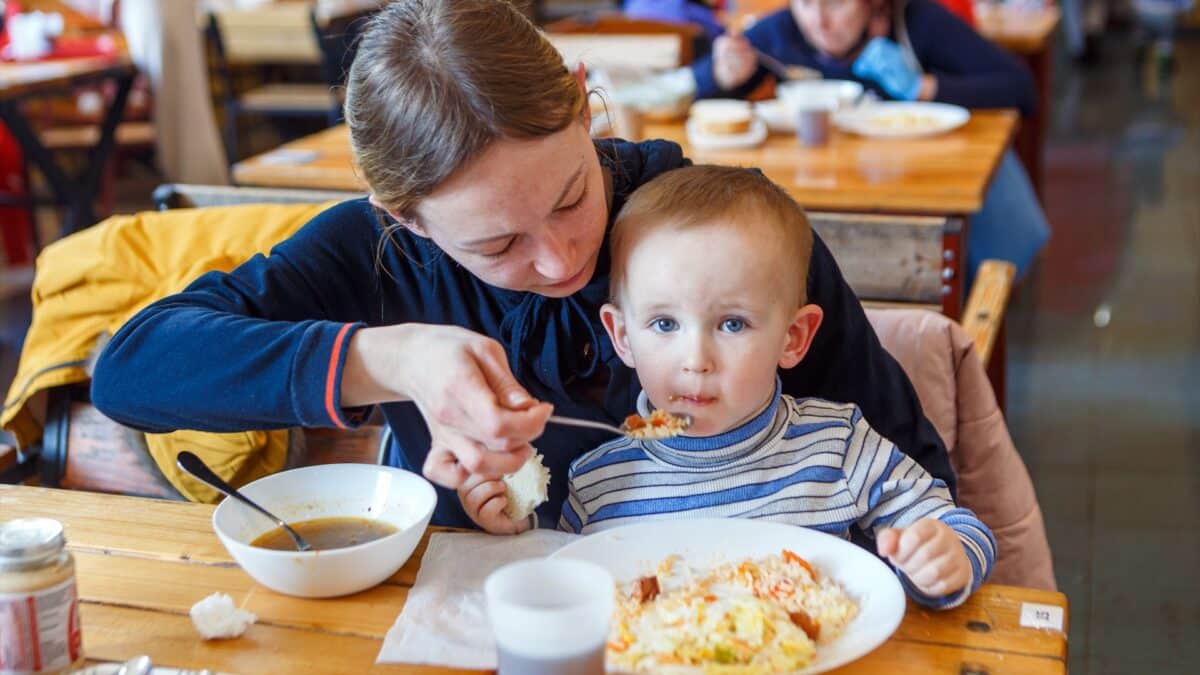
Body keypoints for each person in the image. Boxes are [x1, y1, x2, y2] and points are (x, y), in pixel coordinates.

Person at [91, 0, 951, 531]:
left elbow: (919, 472)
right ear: (408, 220)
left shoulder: (716, 227)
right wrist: (390, 358)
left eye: (573, 195)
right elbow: (132, 365)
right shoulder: (380, 255)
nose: (563, 257)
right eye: (498, 245)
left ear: (582, 100)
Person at [553, 165, 993, 607]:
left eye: (732, 323)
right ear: (623, 336)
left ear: (793, 338)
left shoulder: (839, 446)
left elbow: (958, 529)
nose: (696, 361)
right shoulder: (597, 485)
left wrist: (942, 561)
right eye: (665, 323)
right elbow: (566, 605)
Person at [692, 0, 1049, 283]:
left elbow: (1020, 88)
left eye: (836, 4)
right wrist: (721, 74)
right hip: (821, 206)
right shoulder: (783, 33)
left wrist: (923, 88)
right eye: (805, 4)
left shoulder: (917, 22)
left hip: (926, 203)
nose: (819, 20)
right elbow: (696, 85)